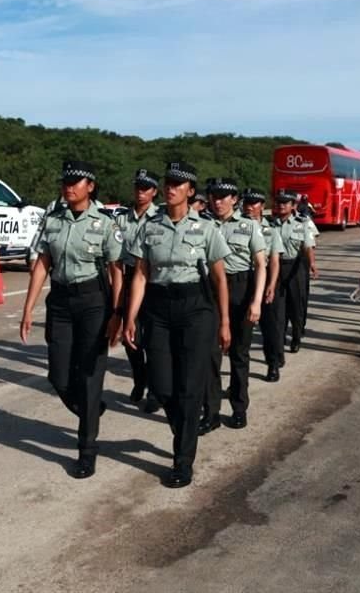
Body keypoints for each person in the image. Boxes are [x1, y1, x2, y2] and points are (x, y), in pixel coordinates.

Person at [123, 161, 231, 488]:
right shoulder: (150, 226)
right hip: (157, 306)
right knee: (161, 384)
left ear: (190, 191)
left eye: (178, 184)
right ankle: (183, 424)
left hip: (195, 307)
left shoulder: (207, 228)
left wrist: (224, 321)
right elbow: (141, 273)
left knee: (189, 386)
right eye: (168, 183)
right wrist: (129, 315)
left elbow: (220, 278)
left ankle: (182, 460)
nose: (170, 188)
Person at [19, 160, 124, 480]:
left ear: (90, 187)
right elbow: (42, 264)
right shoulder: (53, 220)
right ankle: (90, 409)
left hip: (94, 300)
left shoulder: (105, 223)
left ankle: (87, 450)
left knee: (91, 375)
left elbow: (117, 270)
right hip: (62, 301)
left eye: (77, 181)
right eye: (66, 180)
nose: (69, 186)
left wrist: (117, 314)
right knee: (59, 375)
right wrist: (28, 308)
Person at [199, 178, 266, 432]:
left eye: (223, 197)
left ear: (234, 200)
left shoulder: (249, 226)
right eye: (214, 196)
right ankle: (211, 412)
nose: (218, 201)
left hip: (240, 288)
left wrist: (256, 301)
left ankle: (239, 408)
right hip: (210, 291)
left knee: (239, 353)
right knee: (210, 355)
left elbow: (260, 265)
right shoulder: (202, 224)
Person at [114, 168, 161, 414]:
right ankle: (139, 379)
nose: (140, 192)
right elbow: (116, 261)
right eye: (137, 187)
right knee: (130, 338)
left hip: (153, 281)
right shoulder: (121, 219)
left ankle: (154, 389)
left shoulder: (159, 217)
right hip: (130, 276)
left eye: (146, 188)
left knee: (153, 339)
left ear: (154, 192)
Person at [241, 187, 286, 382]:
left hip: (266, 278)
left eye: (253, 203)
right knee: (242, 330)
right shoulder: (237, 227)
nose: (249, 207)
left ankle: (273, 364)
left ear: (262, 206)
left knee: (271, 327)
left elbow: (274, 260)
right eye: (246, 203)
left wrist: (271, 285)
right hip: (243, 280)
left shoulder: (271, 230)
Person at [271, 189, 317, 354]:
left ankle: (296, 337)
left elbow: (308, 246)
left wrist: (312, 263)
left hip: (296, 267)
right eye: (279, 202)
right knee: (278, 306)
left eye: (285, 203)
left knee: (296, 306)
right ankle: (279, 336)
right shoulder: (269, 223)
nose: (281, 205)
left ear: (293, 205)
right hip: (276, 268)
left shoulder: (302, 223)